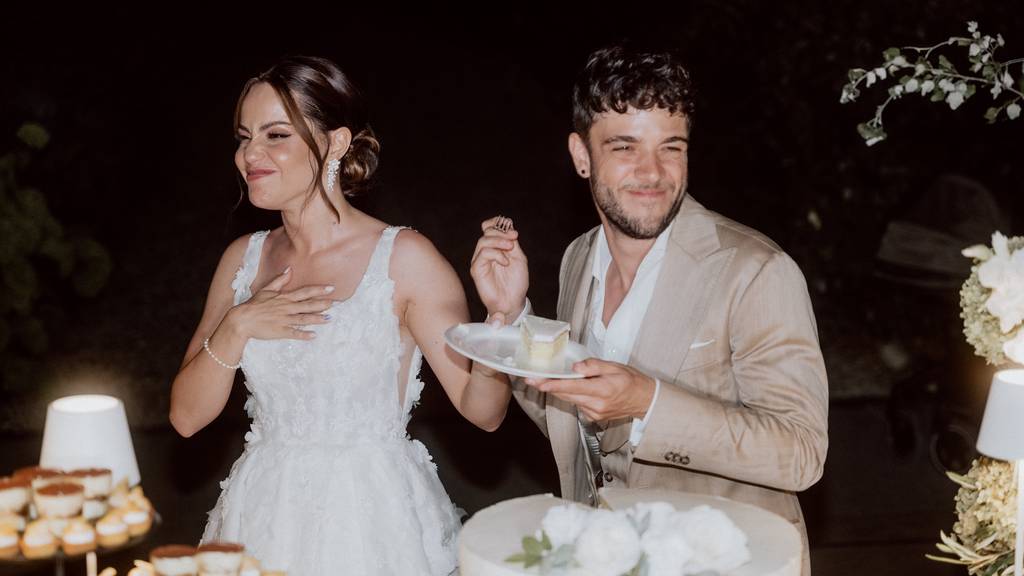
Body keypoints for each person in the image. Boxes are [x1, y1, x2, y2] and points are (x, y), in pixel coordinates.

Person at [470, 45, 828, 575]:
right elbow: (574, 424)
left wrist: (647, 402)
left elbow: (801, 453)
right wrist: (512, 317)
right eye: (625, 147)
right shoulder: (578, 257)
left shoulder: (755, 269)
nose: (652, 172)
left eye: (671, 147)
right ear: (581, 154)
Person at [169, 55, 510, 576]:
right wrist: (238, 326)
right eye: (244, 137)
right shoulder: (243, 259)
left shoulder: (404, 259)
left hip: (373, 526)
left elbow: (483, 411)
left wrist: (500, 319)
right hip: (262, 517)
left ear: (335, 142)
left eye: (276, 135)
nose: (249, 154)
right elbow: (186, 417)